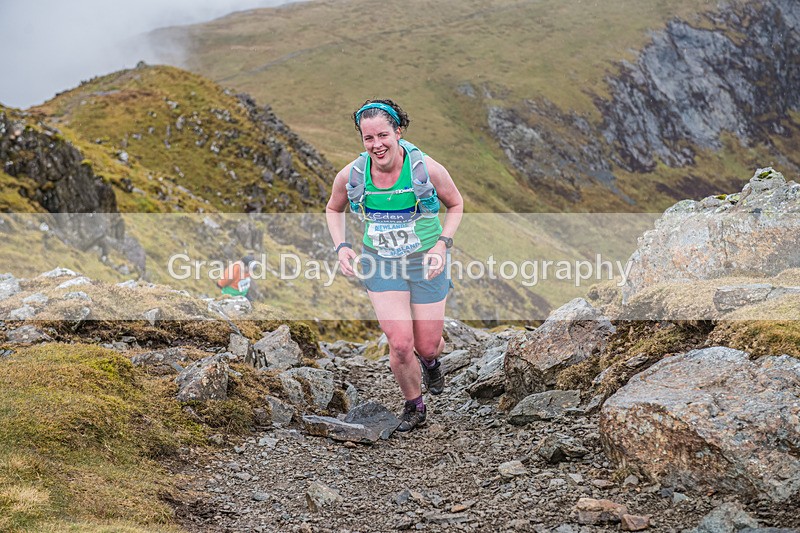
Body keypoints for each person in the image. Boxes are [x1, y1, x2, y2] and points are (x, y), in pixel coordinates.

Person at [326, 99, 463, 432]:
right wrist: (342, 247)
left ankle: (431, 361)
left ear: (398, 131)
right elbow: (333, 209)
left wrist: (443, 245)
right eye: (368, 138)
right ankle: (414, 406)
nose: (377, 145)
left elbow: (456, 204)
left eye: (383, 135)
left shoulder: (425, 169)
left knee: (426, 343)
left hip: (425, 261)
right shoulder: (352, 174)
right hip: (380, 263)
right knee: (401, 343)